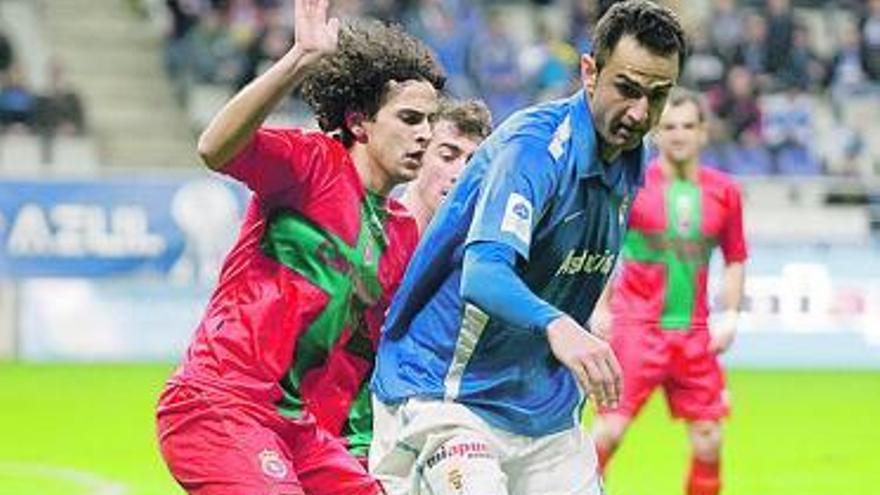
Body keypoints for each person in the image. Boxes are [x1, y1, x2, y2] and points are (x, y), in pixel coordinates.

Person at [369, 2, 687, 494]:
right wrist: (559, 325)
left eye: (658, 96)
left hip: (543, 411)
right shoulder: (533, 149)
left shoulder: (632, 159)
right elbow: (483, 273)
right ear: (589, 72)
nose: (640, 112)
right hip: (447, 395)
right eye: (626, 89)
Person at [155, 1, 445, 494]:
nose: (425, 135)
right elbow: (214, 148)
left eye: (430, 121)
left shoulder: (400, 234)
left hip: (298, 427)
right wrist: (298, 60)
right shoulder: (312, 165)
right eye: (410, 118)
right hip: (220, 403)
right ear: (359, 123)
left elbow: (364, 356)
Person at [590, 89, 747, 495]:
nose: (679, 135)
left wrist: (730, 315)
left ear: (703, 132)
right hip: (636, 328)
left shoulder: (725, 192)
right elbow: (604, 246)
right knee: (608, 433)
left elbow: (735, 257)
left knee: (709, 439)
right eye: (670, 126)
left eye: (688, 126)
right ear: (655, 133)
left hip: (694, 332)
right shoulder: (631, 182)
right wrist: (600, 308)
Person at [399, 98, 492, 232]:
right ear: (417, 156)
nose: (461, 175)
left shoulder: (477, 243)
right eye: (447, 156)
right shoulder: (375, 236)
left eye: (472, 164)